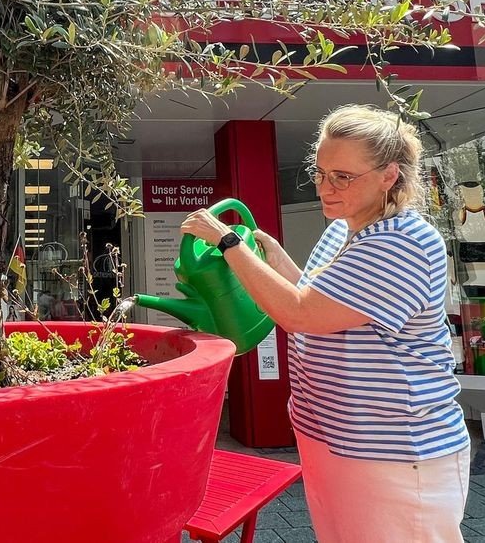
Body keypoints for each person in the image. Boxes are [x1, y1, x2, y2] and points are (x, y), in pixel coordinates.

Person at [181, 105, 469, 543]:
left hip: (390, 448)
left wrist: (228, 243)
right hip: (335, 435)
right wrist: (275, 258)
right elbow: (325, 301)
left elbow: (301, 313)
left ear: (389, 176)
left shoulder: (402, 241)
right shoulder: (344, 229)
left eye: (343, 176)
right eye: (319, 173)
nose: (325, 188)